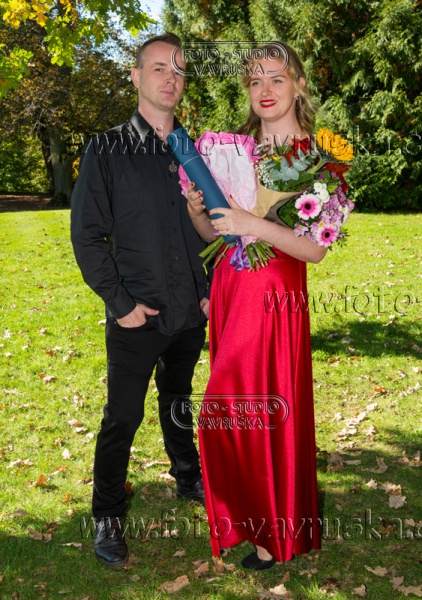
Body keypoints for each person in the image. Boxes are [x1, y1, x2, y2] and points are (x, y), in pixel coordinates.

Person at [70, 33, 209, 568]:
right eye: (158, 68)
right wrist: (120, 303)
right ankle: (107, 515)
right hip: (137, 313)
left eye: (178, 70)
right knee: (122, 418)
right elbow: (87, 236)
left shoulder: (195, 150)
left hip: (189, 310)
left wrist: (208, 291)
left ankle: (188, 476)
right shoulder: (106, 149)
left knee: (179, 398)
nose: (170, 78)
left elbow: (213, 228)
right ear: (135, 76)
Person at [187, 42, 325, 569]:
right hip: (230, 285)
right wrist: (198, 210)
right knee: (233, 411)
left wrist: (253, 224)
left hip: (274, 295)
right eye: (255, 81)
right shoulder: (233, 149)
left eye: (276, 79)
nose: (265, 91)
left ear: (298, 85)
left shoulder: (320, 157)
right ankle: (246, 517)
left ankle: (274, 528)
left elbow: (314, 249)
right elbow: (216, 234)